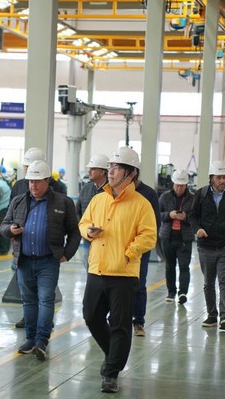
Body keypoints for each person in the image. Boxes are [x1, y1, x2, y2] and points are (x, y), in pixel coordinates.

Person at [78, 147, 157, 393]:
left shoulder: (141, 204)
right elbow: (84, 222)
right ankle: (114, 354)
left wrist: (128, 253)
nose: (110, 172)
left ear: (131, 174)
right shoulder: (98, 199)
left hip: (123, 273)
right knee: (91, 316)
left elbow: (149, 236)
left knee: (120, 325)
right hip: (97, 269)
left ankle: (111, 373)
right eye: (110, 167)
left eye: (117, 167)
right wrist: (89, 231)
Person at [0, 160, 80, 360]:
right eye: (30, 182)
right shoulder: (18, 201)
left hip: (48, 261)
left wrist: (66, 254)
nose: (33, 186)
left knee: (46, 300)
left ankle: (41, 341)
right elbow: (4, 226)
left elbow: (74, 232)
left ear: (47, 181)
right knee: (28, 301)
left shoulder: (63, 203)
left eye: (37, 181)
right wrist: (10, 230)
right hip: (24, 261)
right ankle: (30, 339)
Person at [9, 147, 64, 329]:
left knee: (46, 293)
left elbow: (64, 219)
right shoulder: (19, 186)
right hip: (23, 248)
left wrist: (62, 249)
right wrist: (11, 233)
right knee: (27, 292)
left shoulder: (57, 188)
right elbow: (10, 214)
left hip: (47, 251)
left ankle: (44, 322)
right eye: (26, 167)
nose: (28, 171)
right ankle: (29, 319)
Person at [189, 161, 225, 330]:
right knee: (208, 282)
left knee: (224, 280)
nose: (222, 181)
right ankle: (212, 316)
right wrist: (197, 229)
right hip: (206, 247)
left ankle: (224, 316)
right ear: (211, 178)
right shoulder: (202, 194)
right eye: (219, 177)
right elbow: (192, 215)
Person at [159, 169, 195, 305]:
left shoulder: (192, 199)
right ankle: (171, 292)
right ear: (173, 184)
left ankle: (183, 293)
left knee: (184, 266)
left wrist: (186, 217)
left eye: (182, 186)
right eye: (177, 185)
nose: (179, 188)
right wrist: (169, 215)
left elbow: (197, 218)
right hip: (168, 237)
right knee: (170, 266)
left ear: (186, 185)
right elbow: (157, 214)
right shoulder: (164, 197)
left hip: (184, 238)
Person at [132, 171, 161, 337]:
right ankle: (115, 318)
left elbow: (155, 222)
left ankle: (138, 321)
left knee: (139, 284)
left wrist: (144, 242)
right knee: (117, 284)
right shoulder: (119, 191)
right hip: (122, 246)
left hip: (141, 248)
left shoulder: (149, 193)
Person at [75, 154, 109, 269]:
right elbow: (77, 211)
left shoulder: (112, 191)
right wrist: (84, 229)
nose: (89, 172)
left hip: (106, 239)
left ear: (103, 172)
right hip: (87, 239)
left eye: (93, 169)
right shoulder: (86, 189)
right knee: (89, 269)